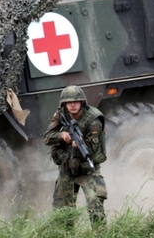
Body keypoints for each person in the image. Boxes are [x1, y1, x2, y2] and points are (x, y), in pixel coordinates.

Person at [43, 85, 107, 229]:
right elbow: (47, 138)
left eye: (76, 101)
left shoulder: (93, 119)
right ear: (64, 104)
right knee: (62, 210)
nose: (72, 105)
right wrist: (62, 136)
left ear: (82, 103)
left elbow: (93, 150)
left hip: (87, 168)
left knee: (95, 205)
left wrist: (80, 145)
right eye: (69, 102)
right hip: (67, 167)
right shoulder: (60, 115)